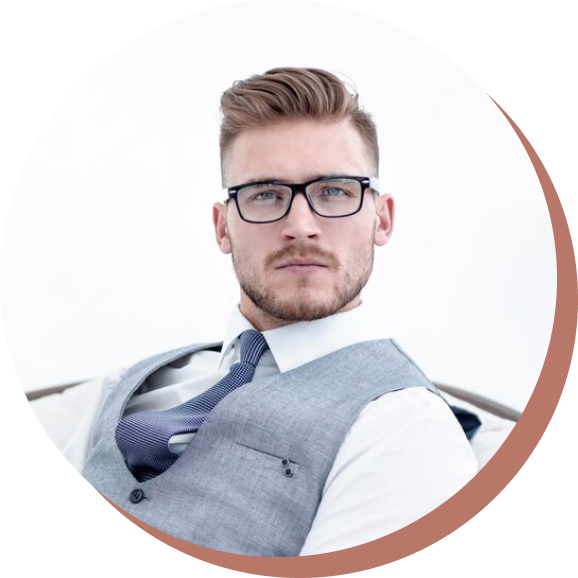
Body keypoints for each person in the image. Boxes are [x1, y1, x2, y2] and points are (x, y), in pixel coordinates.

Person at [64, 67, 480, 556]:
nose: (301, 226)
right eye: (265, 194)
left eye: (334, 191)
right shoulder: (128, 382)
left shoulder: (406, 427)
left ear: (382, 219)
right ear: (222, 227)